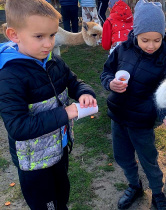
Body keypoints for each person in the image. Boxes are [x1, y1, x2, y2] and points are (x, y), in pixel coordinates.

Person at [0, 0, 97, 209]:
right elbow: (18, 127)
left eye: (52, 35)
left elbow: (73, 81)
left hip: (59, 150)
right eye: (39, 37)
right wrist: (65, 113)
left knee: (62, 198)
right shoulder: (10, 76)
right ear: (14, 35)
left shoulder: (52, 60)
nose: (48, 43)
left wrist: (84, 93)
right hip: (34, 164)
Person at [100, 0, 166, 209]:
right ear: (135, 33)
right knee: (123, 156)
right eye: (145, 40)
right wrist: (110, 83)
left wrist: (164, 115)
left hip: (142, 121)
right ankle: (134, 185)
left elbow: (164, 93)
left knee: (149, 159)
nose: (151, 45)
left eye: (157, 40)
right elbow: (106, 72)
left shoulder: (163, 61)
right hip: (119, 117)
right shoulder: (121, 50)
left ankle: (158, 192)